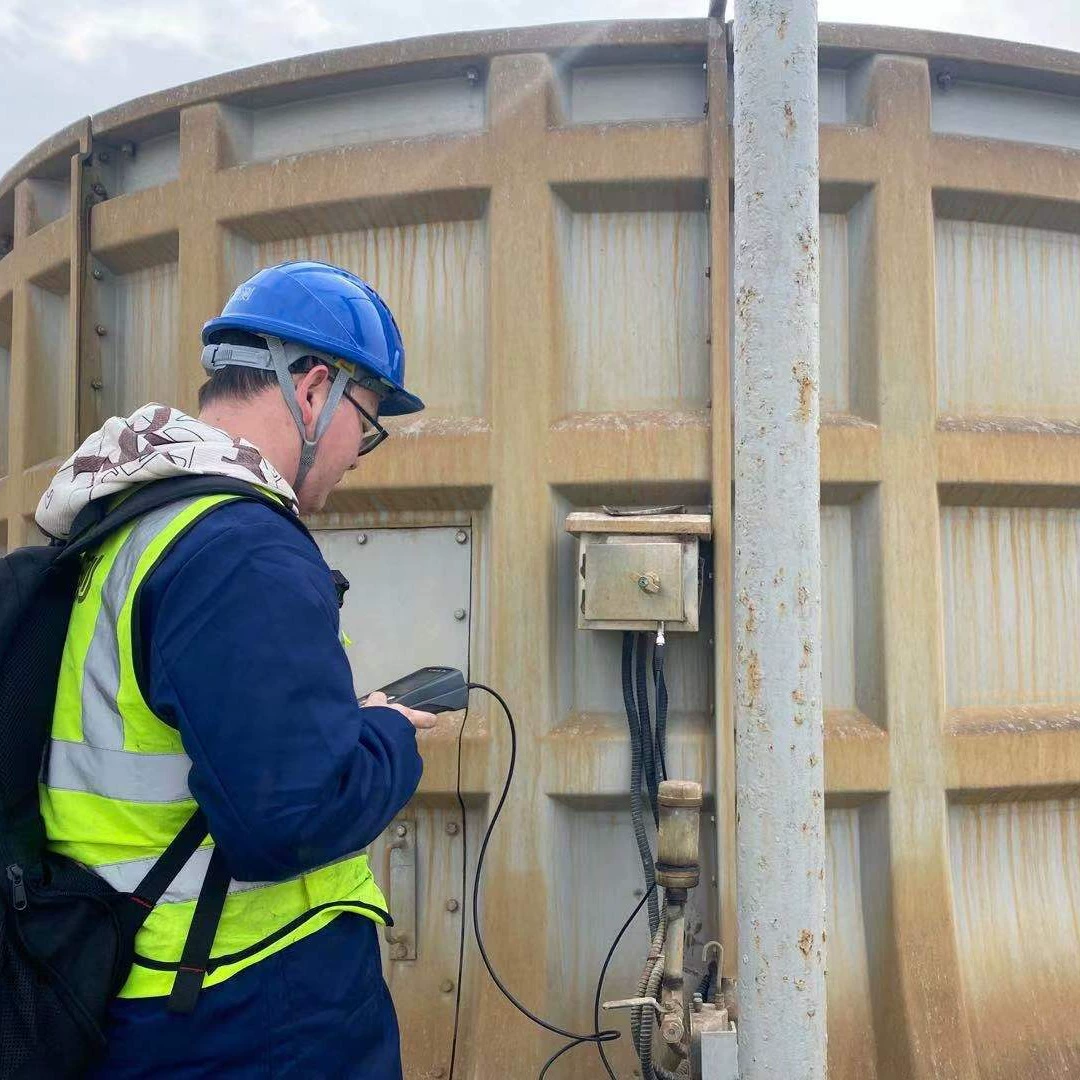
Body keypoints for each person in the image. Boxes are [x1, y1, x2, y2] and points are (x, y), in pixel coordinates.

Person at [34, 260, 435, 1078]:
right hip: (248, 1001)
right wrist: (388, 735)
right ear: (316, 389)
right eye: (370, 419)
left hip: (121, 976)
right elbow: (286, 820)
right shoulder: (242, 548)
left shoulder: (130, 524)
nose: (363, 452)